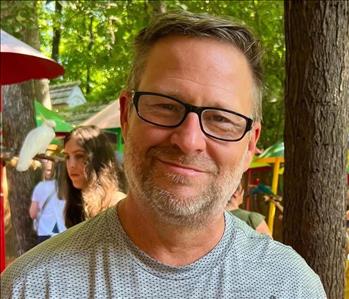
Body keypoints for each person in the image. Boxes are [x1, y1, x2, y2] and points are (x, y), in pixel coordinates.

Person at [1, 11, 326, 298]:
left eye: (221, 119)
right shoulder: (32, 286)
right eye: (165, 106)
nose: (188, 140)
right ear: (127, 117)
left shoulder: (291, 286)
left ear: (249, 146)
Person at [61, 125, 126, 227]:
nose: (71, 165)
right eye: (67, 157)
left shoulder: (117, 204)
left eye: (79, 155)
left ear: (98, 160)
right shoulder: (76, 204)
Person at [29, 160, 66, 244]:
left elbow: (32, 214)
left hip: (45, 233)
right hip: (64, 232)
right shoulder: (68, 187)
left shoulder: (40, 187)